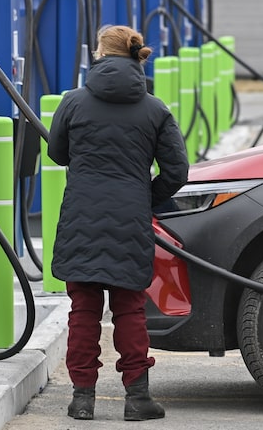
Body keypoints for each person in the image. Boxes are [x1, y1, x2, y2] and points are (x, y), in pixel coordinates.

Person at [47, 25, 189, 422]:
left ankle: (82, 399)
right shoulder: (155, 109)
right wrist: (147, 196)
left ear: (99, 54)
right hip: (130, 217)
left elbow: (58, 153)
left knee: (84, 309)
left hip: (81, 217)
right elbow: (177, 170)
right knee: (129, 309)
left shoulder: (73, 102)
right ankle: (137, 398)